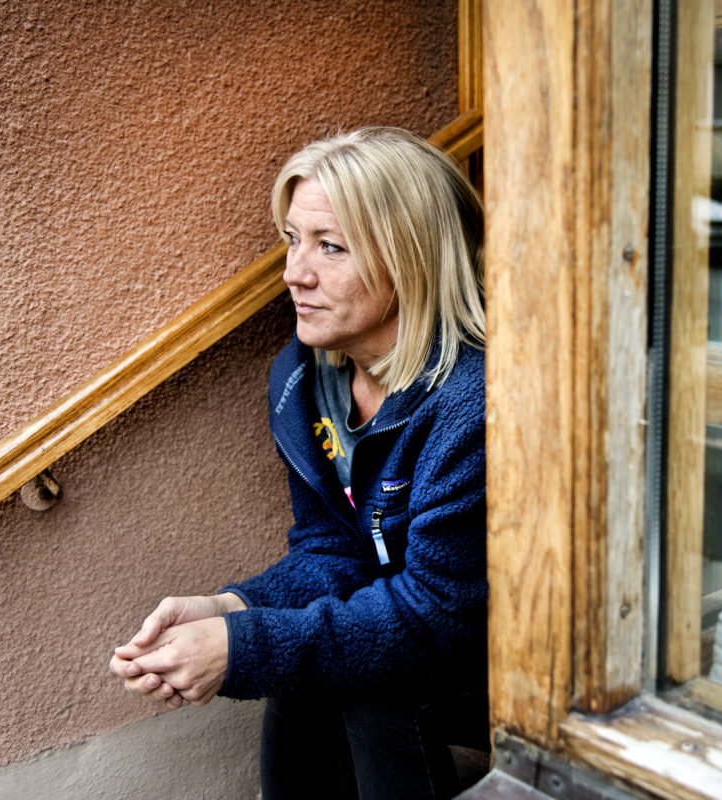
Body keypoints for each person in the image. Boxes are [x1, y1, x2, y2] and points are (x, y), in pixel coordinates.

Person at [109, 127, 489, 800]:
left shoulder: (472, 399)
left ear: (411, 259)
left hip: (496, 655)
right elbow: (331, 551)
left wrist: (241, 646)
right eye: (292, 239)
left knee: (361, 675)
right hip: (412, 625)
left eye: (329, 246)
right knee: (310, 661)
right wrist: (230, 607)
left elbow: (433, 615)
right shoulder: (304, 376)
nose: (293, 273)